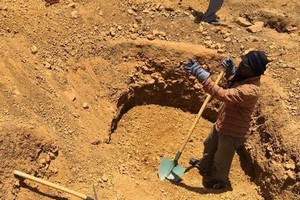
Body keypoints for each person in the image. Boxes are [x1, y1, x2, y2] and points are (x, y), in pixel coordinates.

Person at [183, 51, 269, 189]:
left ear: (253, 71)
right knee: (209, 144)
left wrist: (202, 77)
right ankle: (204, 165)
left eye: (244, 65)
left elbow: (223, 94)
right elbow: (233, 81)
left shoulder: (251, 91)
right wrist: (230, 70)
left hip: (233, 132)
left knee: (222, 158)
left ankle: (219, 180)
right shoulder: (244, 77)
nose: (240, 65)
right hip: (223, 123)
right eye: (242, 62)